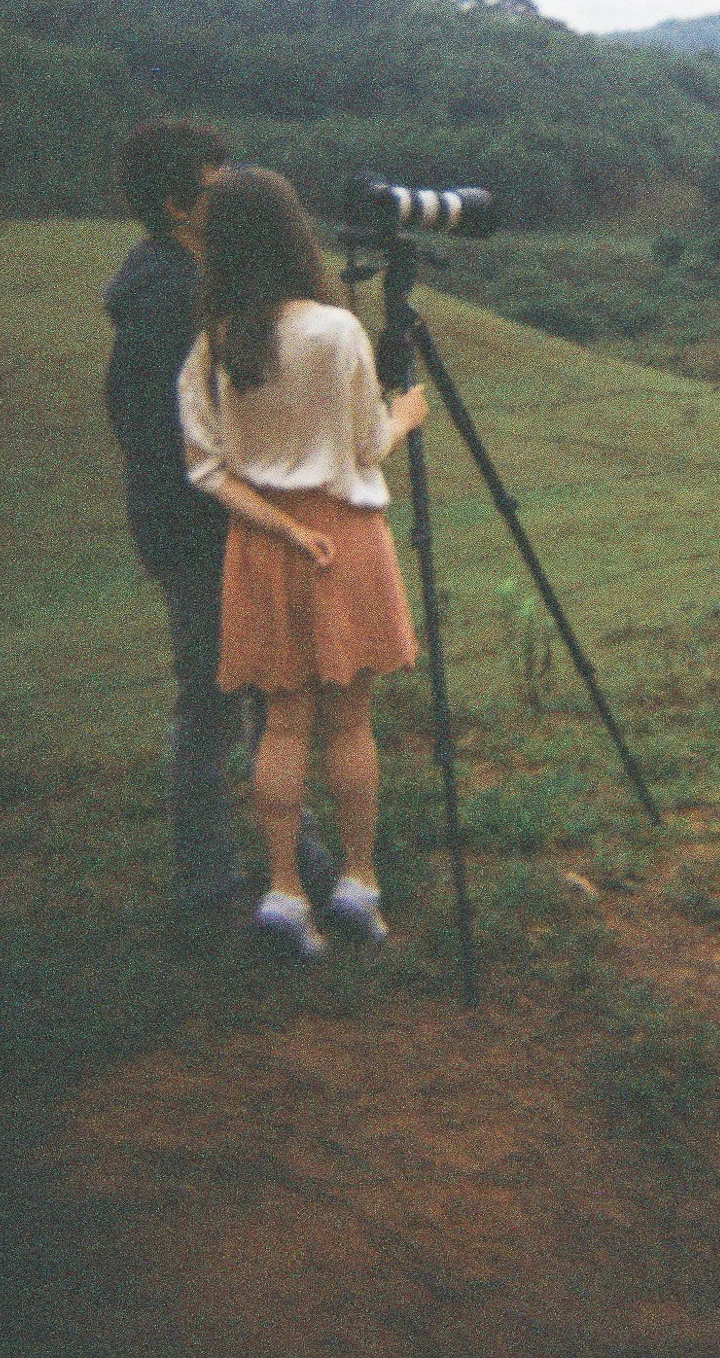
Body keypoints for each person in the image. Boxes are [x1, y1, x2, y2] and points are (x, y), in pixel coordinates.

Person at [177, 166, 427, 958]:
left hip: (262, 545)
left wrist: (281, 528)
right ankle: (358, 881)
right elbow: (365, 445)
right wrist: (404, 416)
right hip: (344, 535)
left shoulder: (213, 343)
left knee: (281, 724)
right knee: (349, 720)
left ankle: (284, 892)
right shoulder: (334, 330)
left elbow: (208, 469)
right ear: (293, 235)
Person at [103, 120, 336, 920]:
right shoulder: (169, 300)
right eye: (214, 183)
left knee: (267, 692)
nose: (229, 193)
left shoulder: (179, 282)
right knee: (214, 703)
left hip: (220, 522)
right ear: (176, 205)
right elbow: (160, 435)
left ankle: (291, 852)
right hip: (201, 531)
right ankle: (211, 880)